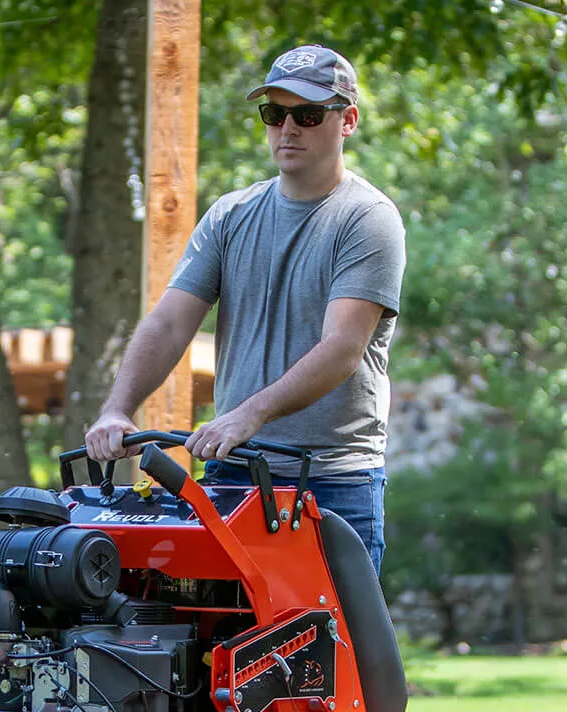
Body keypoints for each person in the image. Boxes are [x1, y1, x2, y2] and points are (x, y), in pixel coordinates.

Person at [84, 44, 406, 572]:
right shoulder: (230, 216)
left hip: (328, 483)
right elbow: (169, 323)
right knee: (217, 648)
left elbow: (343, 348)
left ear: (347, 120)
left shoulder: (367, 220)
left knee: (333, 652)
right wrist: (118, 408)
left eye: (306, 115)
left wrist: (247, 415)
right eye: (274, 114)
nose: (287, 130)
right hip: (233, 477)